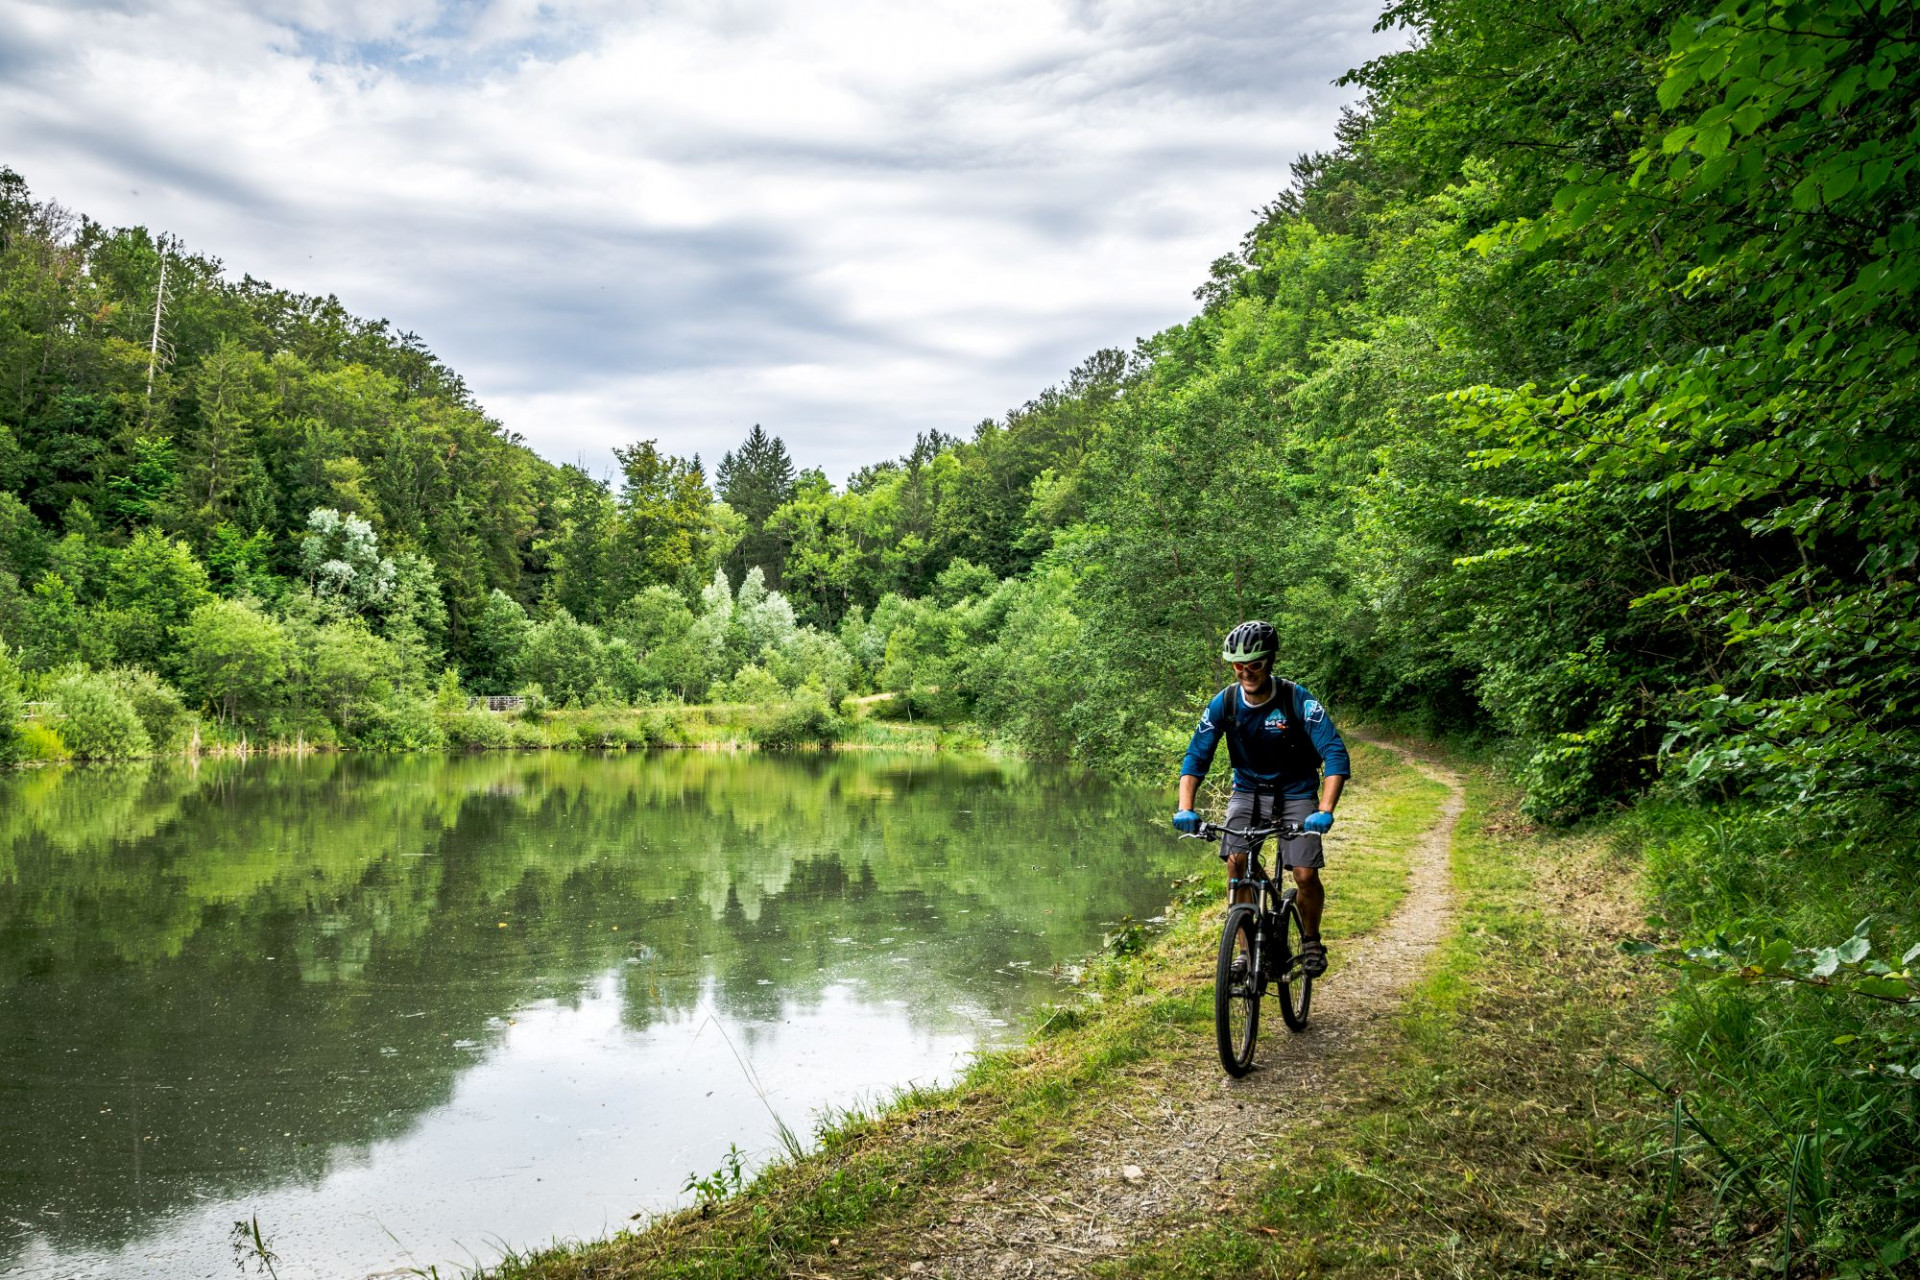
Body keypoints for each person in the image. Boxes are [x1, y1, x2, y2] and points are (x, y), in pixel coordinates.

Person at [1172, 620, 1350, 977]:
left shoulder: (1296, 699)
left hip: (1296, 791)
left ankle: (1311, 940)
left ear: (1269, 661)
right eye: (1238, 665)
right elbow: (1196, 758)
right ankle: (1243, 950)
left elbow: (1335, 754)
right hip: (1248, 792)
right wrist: (1185, 807)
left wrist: (1325, 810)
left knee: (1303, 873)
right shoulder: (1224, 703)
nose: (1246, 672)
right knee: (1237, 866)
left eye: (1254, 664)